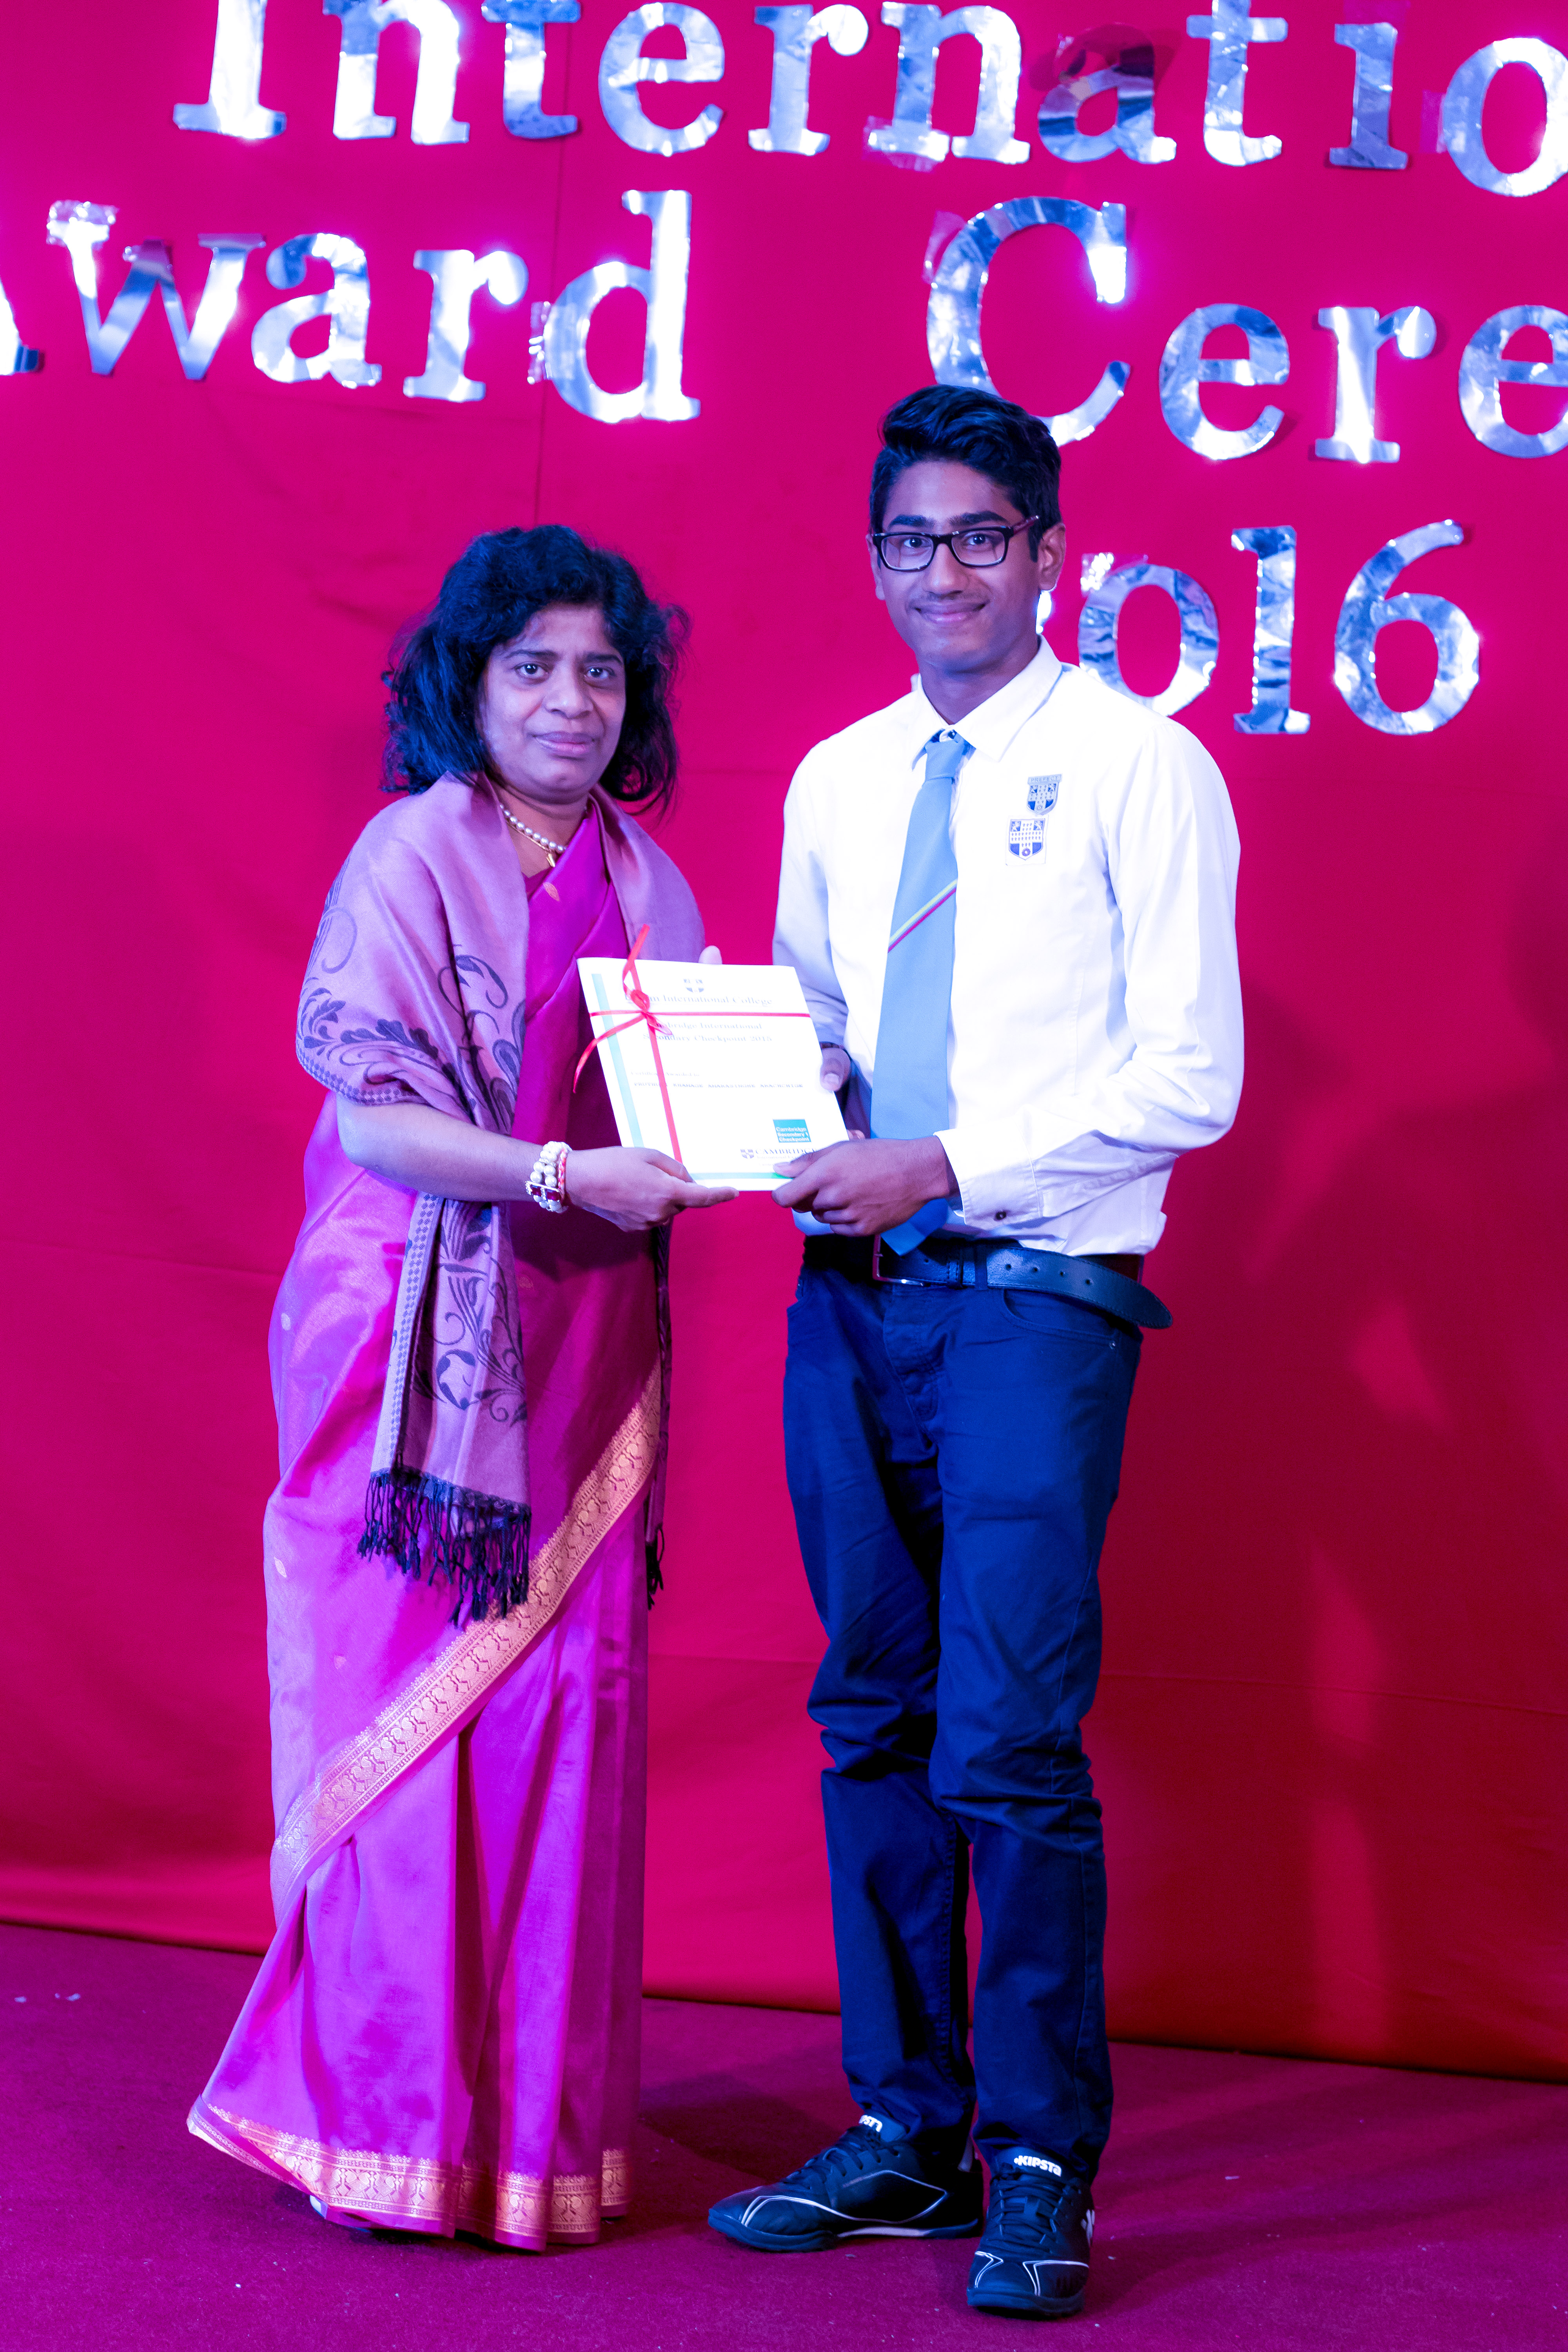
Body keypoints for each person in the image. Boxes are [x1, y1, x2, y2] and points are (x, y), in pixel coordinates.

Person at [707, 387, 1243, 2319]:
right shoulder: (840, 778)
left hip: (1032, 1301)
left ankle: (1036, 2160)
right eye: (911, 542)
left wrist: (940, 1159)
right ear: (876, 564)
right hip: (851, 1301)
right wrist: (753, 1102)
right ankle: (907, 2124)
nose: (945, 573)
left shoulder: (1138, 766)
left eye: (981, 538)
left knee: (1005, 1743)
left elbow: (1189, 1077)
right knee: (869, 1713)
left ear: (1049, 555)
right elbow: (813, 1021)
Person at [190, 524, 733, 2250]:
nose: (573, 701)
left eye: (602, 670)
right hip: (412, 1351)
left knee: (561, 1722)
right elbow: (376, 1122)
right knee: (414, 1732)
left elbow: (694, 1109)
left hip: (592, 1345)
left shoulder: (654, 885)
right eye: (535, 667)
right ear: (469, 685)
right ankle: (376, 2126)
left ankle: (523, 2146)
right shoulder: (410, 852)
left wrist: (774, 1130)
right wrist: (565, 1175)